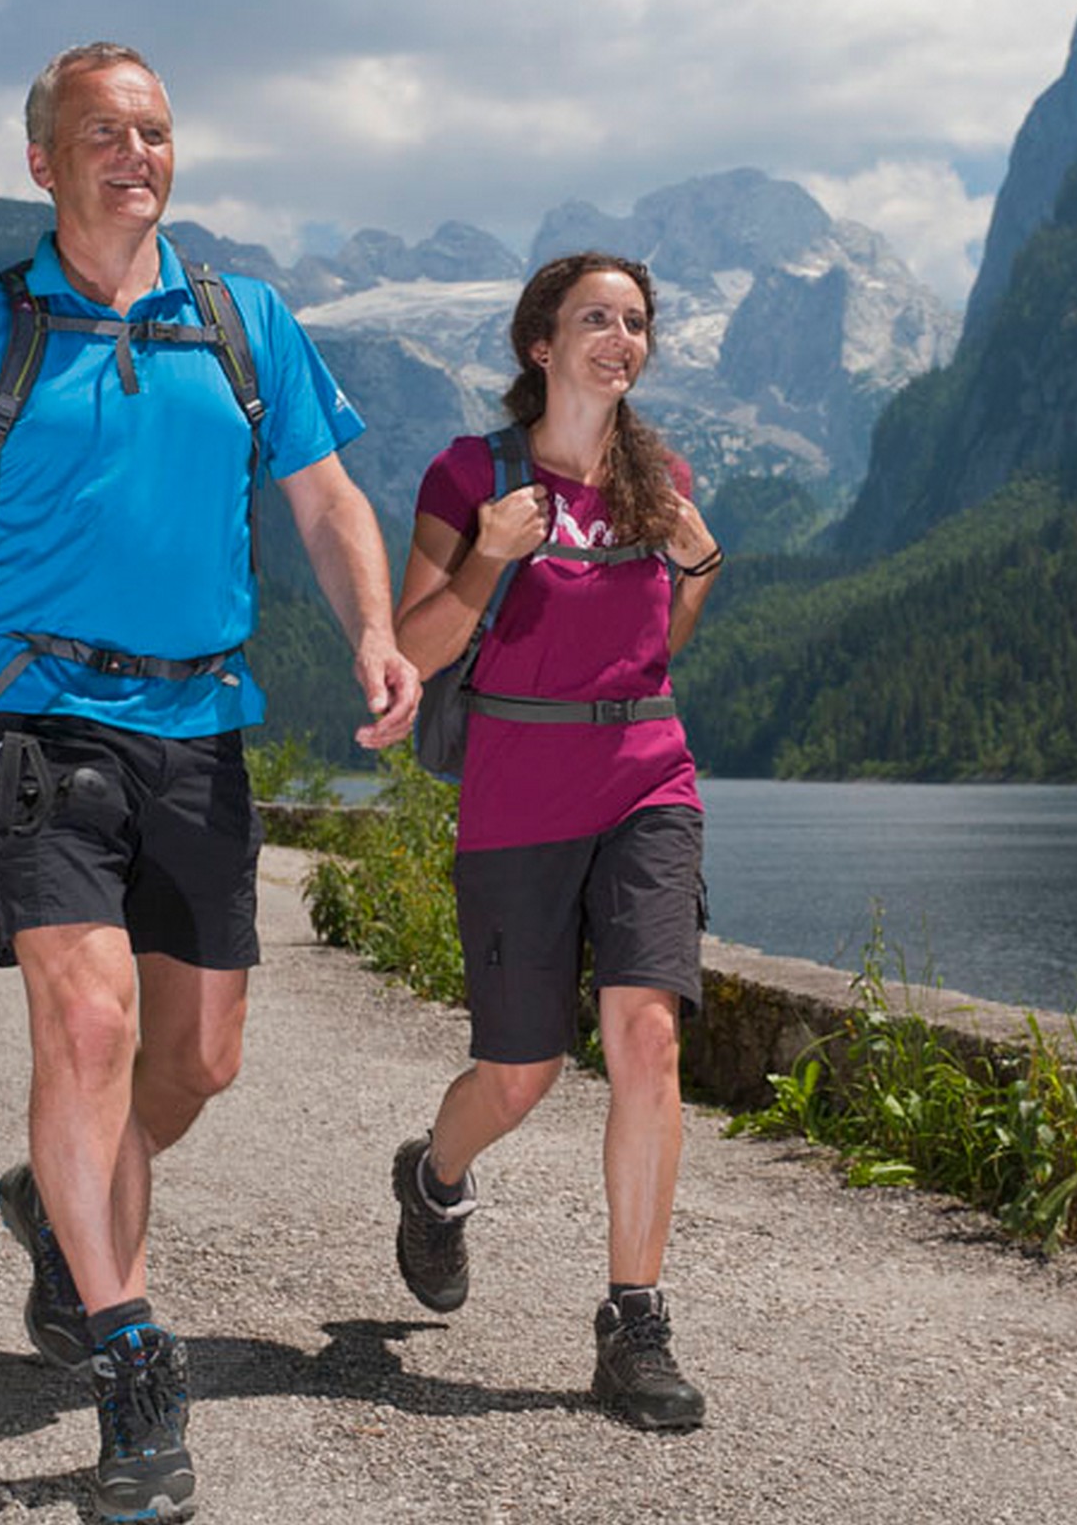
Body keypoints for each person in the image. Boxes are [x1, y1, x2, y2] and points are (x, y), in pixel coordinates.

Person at [0, 41, 417, 1525]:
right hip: (35, 713)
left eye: (157, 130)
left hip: (203, 724)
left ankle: (54, 1200)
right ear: (42, 160)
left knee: (199, 1061)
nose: (137, 152)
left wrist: (373, 624)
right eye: (104, 131)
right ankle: (131, 1369)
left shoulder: (245, 326)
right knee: (89, 1024)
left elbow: (325, 497)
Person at [386, 251, 724, 1430]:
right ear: (541, 343)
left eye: (635, 322)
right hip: (518, 797)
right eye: (595, 318)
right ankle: (432, 1180)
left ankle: (634, 1321)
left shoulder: (659, 477)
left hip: (647, 777)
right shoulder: (467, 474)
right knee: (521, 1074)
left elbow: (658, 639)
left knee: (645, 1037)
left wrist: (699, 569)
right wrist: (489, 552)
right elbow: (413, 649)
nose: (619, 338)